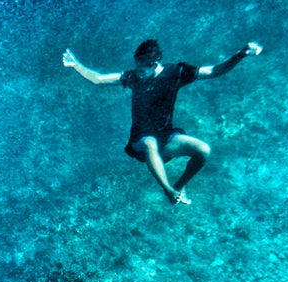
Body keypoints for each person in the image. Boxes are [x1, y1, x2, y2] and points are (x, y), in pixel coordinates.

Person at [63, 39, 262, 204]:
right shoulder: (132, 77)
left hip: (166, 137)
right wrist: (76, 65)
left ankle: (180, 186)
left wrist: (241, 54)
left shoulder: (176, 73)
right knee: (149, 143)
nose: (139, 70)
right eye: (137, 63)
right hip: (140, 141)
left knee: (203, 150)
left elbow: (213, 71)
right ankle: (169, 191)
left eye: (143, 65)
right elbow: (98, 78)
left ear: (156, 62)